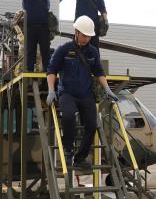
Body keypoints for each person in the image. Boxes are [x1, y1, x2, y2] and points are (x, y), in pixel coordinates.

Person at [46, 16, 118, 170]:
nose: (86, 39)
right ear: (76, 32)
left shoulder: (92, 52)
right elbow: (51, 70)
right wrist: (51, 90)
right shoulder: (64, 50)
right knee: (69, 116)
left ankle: (80, 158)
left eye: (89, 36)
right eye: (84, 35)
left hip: (85, 94)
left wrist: (107, 89)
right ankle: (68, 149)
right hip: (67, 93)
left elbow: (99, 71)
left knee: (92, 125)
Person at [3, 0, 58, 72]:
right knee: (30, 53)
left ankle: (48, 74)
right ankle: (29, 75)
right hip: (29, 28)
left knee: (45, 52)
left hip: (44, 28)